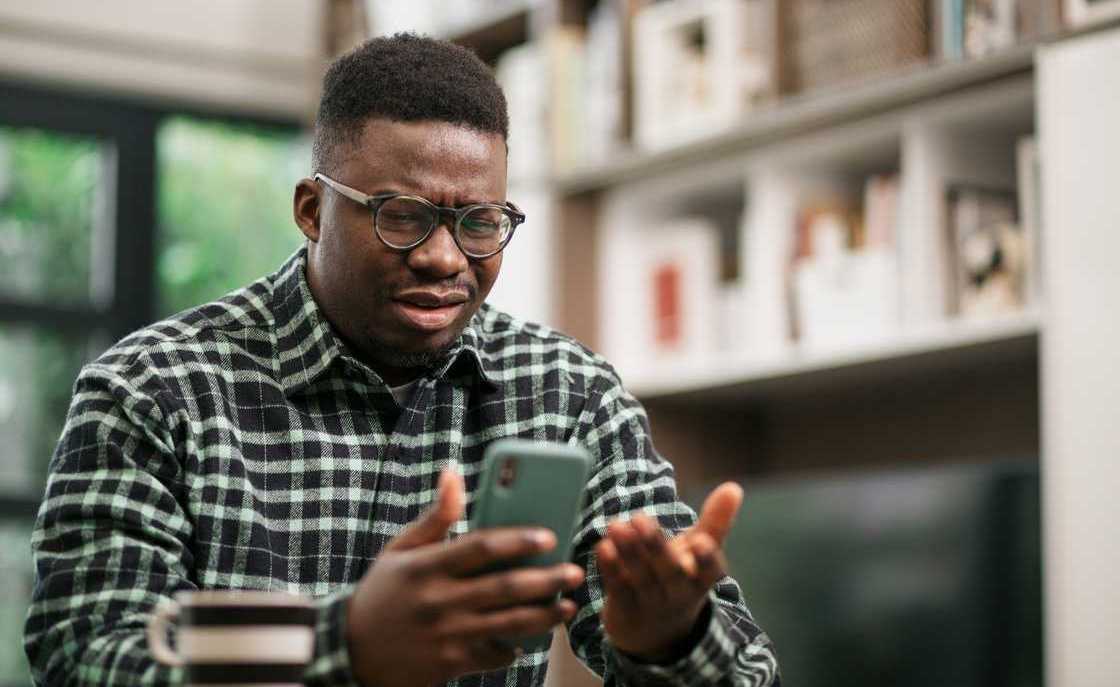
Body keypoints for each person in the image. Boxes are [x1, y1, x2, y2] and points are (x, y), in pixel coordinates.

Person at [24, 34, 779, 687]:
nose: (445, 258)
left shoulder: (569, 396)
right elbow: (85, 654)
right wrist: (345, 647)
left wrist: (669, 643)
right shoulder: (152, 391)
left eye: (479, 221)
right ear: (313, 209)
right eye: (403, 217)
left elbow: (744, 670)